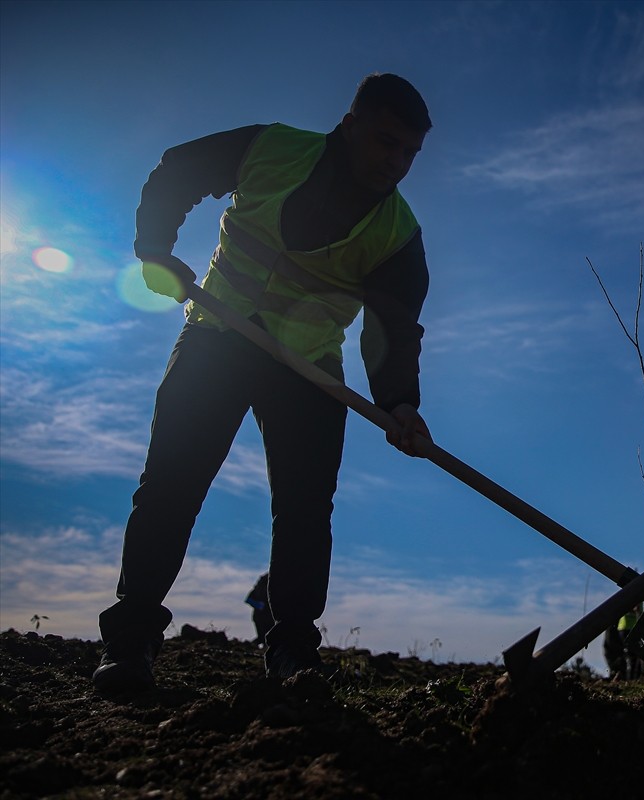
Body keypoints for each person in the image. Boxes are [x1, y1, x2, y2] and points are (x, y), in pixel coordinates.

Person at [93, 73, 434, 693]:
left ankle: (294, 653)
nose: (398, 163)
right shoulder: (270, 149)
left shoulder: (397, 236)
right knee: (171, 483)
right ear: (351, 123)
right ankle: (130, 641)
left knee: (305, 511)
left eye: (410, 153)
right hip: (218, 338)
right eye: (387, 143)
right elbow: (178, 170)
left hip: (307, 370)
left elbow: (392, 331)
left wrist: (400, 404)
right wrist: (154, 250)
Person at [245, 573, 272, 646]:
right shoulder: (259, 590)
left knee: (265, 638)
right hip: (261, 618)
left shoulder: (272, 589)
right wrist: (259, 605)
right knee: (264, 638)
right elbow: (248, 599)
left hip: (267, 618)